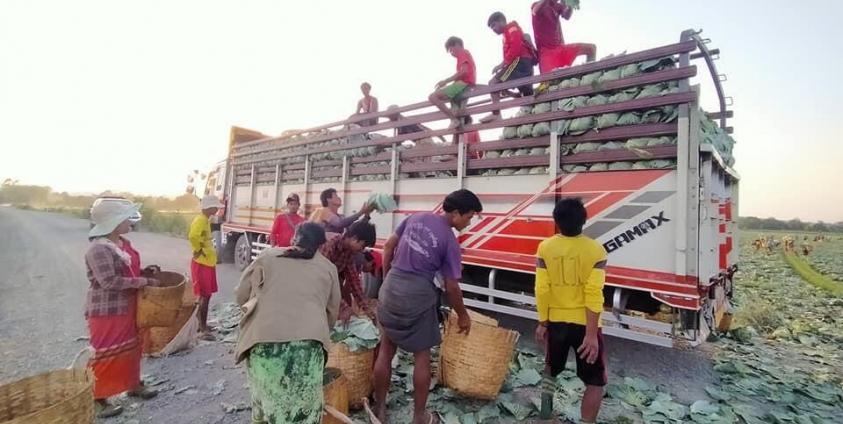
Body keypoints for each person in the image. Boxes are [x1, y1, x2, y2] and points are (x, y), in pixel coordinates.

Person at [373, 189, 483, 424]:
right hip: (418, 296)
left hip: (391, 288)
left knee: (386, 350)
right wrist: (463, 315)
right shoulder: (450, 242)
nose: (469, 221)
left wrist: (387, 278)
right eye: (469, 216)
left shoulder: (415, 218)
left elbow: (388, 247)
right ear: (455, 213)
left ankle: (380, 410)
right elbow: (451, 287)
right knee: (422, 356)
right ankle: (419, 417)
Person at [235, 223, 341, 424]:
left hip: (262, 345)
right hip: (308, 348)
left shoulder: (267, 257)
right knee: (303, 414)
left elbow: (241, 295)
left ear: (294, 238)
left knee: (266, 409)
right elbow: (331, 314)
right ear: (320, 245)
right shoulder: (328, 268)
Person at [85, 200, 162, 418]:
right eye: (126, 218)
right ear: (114, 222)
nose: (130, 221)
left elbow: (129, 271)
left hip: (128, 305)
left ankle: (133, 384)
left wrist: (144, 273)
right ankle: (97, 398)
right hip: (107, 310)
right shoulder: (98, 249)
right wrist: (142, 283)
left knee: (132, 347)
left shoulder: (121, 243)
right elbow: (109, 281)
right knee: (105, 353)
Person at [534, 198, 607, 423]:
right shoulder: (596, 250)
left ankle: (546, 416)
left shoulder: (545, 247)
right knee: (595, 381)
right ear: (584, 220)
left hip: (556, 322)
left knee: (551, 367)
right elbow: (594, 293)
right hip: (586, 326)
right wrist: (592, 335)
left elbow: (541, 289)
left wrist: (543, 322)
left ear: (556, 221)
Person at [480, 12, 537, 123]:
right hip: (522, 63)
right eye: (491, 27)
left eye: (494, 25)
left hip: (520, 61)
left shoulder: (511, 29)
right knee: (525, 92)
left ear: (502, 21)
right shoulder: (506, 34)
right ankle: (521, 100)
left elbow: (516, 49)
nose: (493, 29)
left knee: (493, 83)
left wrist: (501, 65)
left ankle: (496, 114)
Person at [319, 220, 377, 320]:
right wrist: (343, 307)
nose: (362, 250)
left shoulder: (349, 252)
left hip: (327, 286)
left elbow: (353, 280)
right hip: (314, 287)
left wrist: (366, 307)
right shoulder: (329, 246)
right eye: (362, 246)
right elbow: (321, 281)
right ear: (354, 238)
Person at [189, 195, 223, 341]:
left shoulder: (204, 220)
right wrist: (199, 250)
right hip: (202, 262)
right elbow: (193, 236)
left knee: (206, 295)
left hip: (207, 262)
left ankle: (201, 324)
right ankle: (202, 328)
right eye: (215, 207)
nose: (217, 209)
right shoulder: (200, 220)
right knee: (204, 295)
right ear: (208, 208)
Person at [532, 0, 596, 74]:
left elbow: (567, 16)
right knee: (551, 82)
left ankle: (590, 75)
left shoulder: (557, 6)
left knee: (591, 48)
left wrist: (571, 4)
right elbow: (535, 11)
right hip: (547, 54)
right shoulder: (537, 5)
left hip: (561, 49)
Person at [429, 36, 477, 129]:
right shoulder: (465, 55)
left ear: (457, 45)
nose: (451, 53)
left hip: (463, 83)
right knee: (456, 109)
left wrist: (445, 81)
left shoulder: (463, 53)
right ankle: (459, 120)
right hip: (465, 84)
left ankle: (453, 120)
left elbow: (464, 72)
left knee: (433, 97)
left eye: (451, 50)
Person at [309, 188, 375, 235]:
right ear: (328, 199)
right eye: (336, 196)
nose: (339, 198)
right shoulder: (322, 211)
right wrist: (361, 212)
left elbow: (353, 229)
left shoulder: (340, 216)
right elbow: (340, 223)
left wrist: (366, 215)